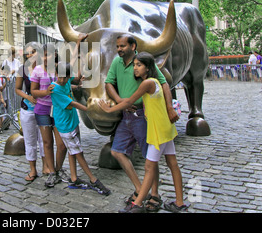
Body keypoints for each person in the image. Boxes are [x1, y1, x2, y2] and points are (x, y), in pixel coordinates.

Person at [99, 52, 187, 212]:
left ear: (148, 68)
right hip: (166, 128)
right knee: (172, 164)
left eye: (139, 65)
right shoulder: (152, 82)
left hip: (158, 130)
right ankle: (179, 202)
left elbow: (130, 101)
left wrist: (109, 109)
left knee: (148, 167)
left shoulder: (148, 84)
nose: (135, 68)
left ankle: (137, 204)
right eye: (134, 65)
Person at [52, 61, 110, 196]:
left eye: (65, 78)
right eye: (60, 77)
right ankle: (94, 180)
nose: (62, 80)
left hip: (72, 121)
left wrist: (78, 82)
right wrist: (91, 110)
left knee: (73, 151)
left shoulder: (66, 81)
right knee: (79, 153)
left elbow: (73, 76)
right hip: (65, 126)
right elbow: (72, 103)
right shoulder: (54, 89)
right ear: (55, 74)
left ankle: (74, 178)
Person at [31, 43, 69, 188]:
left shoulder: (61, 68)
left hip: (59, 110)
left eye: (49, 54)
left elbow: (68, 82)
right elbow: (33, 91)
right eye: (44, 55)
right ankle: (52, 172)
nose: (46, 58)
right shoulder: (37, 70)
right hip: (43, 110)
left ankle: (58, 170)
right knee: (47, 143)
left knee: (62, 144)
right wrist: (46, 92)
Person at [15, 42, 48, 182]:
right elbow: (17, 89)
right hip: (28, 109)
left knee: (44, 140)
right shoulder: (22, 69)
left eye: (33, 51)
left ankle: (46, 166)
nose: (31, 55)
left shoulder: (45, 68)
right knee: (30, 140)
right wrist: (28, 96)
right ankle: (33, 169)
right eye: (28, 52)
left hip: (43, 109)